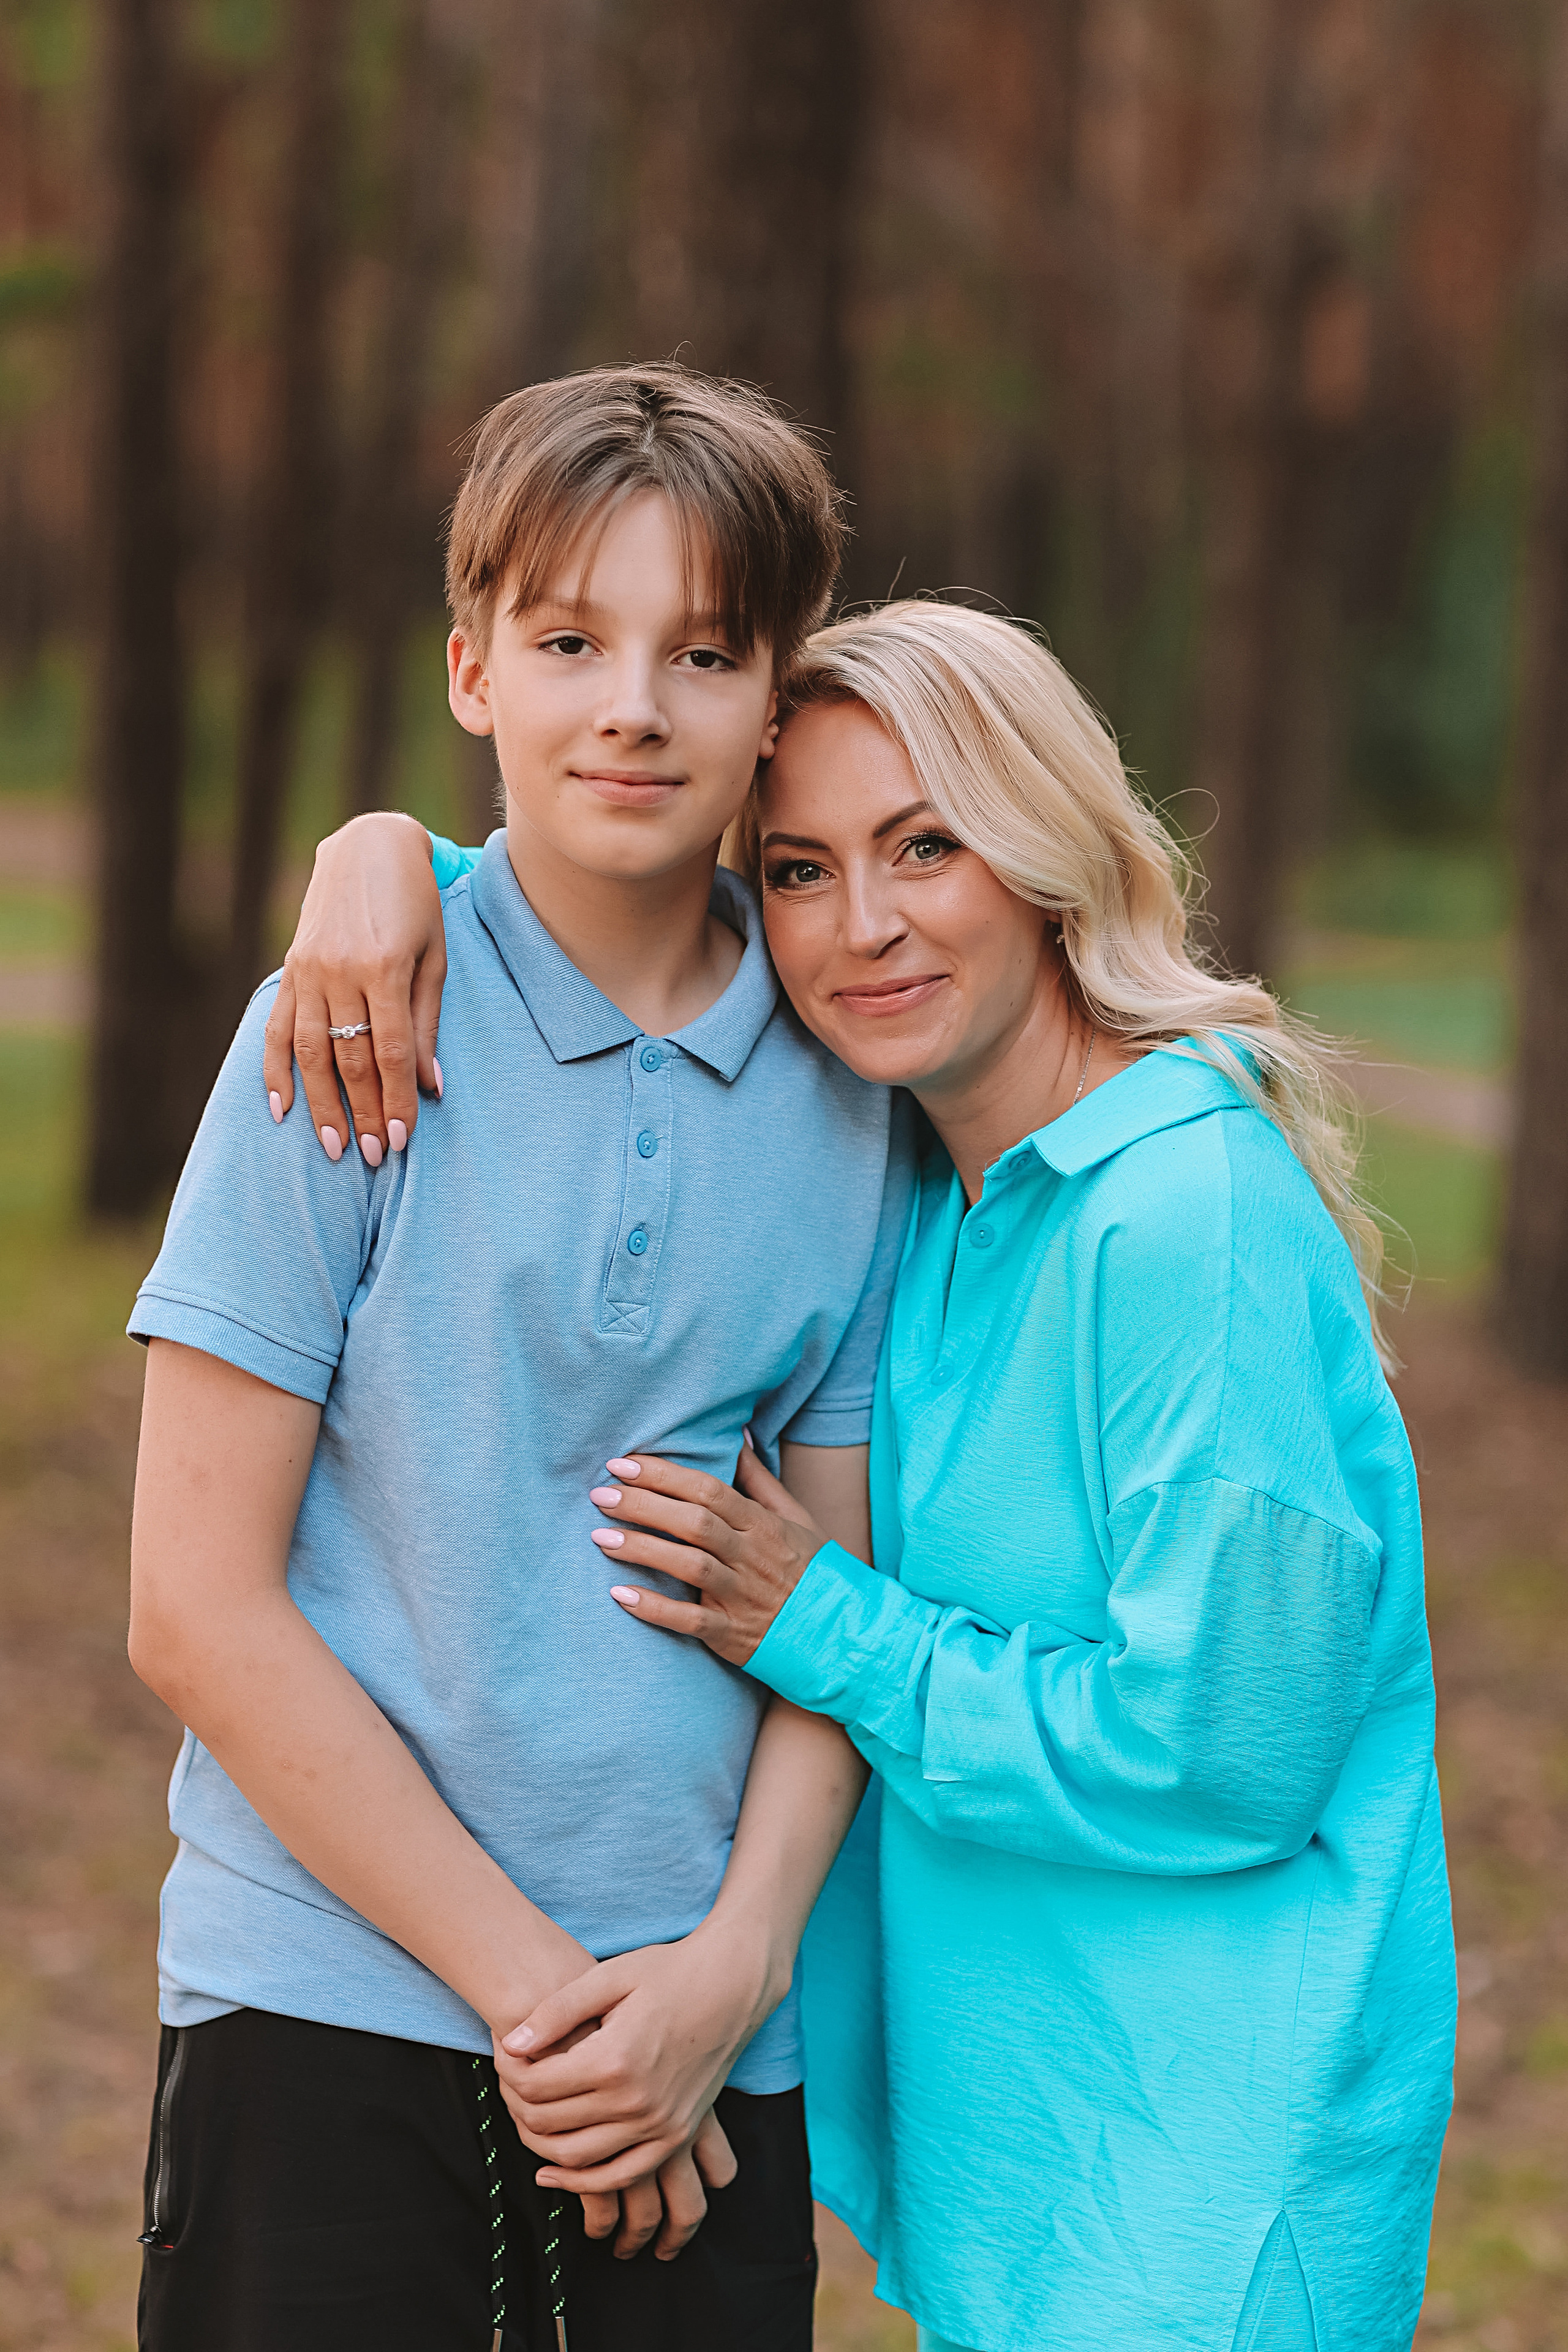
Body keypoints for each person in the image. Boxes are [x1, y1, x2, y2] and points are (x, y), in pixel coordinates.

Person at [288, 601, 1457, 2351]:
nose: (867, 927)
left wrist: (827, 1626)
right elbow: (598, 870)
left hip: (1205, 2191)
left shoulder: (1183, 1218)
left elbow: (1224, 1763)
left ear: (1049, 849)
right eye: (802, 868)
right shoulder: (933, 1183)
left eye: (928, 844)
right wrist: (383, 856)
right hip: (1024, 2158)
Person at [127, 364, 915, 2352]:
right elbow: (191, 1610)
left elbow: (839, 1607)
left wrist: (727, 1982)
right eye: (573, 641)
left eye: (703, 652)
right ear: (475, 668)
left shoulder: (852, 1096)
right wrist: (547, 2007)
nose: (634, 703)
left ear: (773, 702)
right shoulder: (344, 1023)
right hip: (328, 1998)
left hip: (702, 2051)